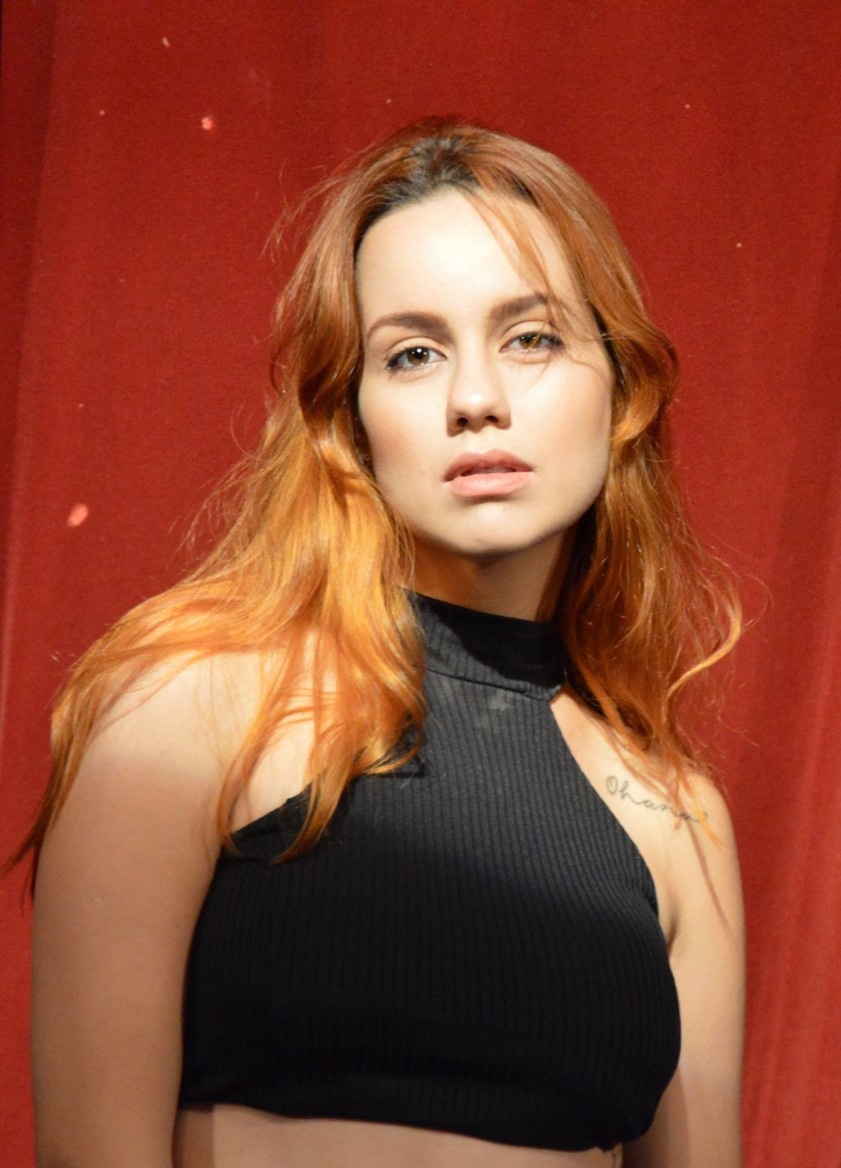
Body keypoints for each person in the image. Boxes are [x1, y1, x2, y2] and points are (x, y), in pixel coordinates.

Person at [21, 119, 744, 1167]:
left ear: (622, 384)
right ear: (350, 418)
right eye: (412, 354)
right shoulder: (187, 707)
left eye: (531, 338)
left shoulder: (677, 817)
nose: (476, 400)